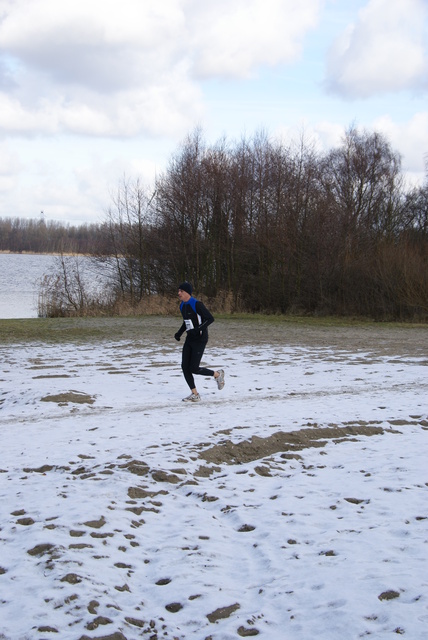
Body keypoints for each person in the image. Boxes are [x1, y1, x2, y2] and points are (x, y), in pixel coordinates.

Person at [174, 281, 225, 402]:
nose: (179, 293)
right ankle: (195, 394)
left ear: (187, 292)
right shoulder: (182, 305)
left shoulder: (196, 304)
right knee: (185, 366)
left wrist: (197, 330)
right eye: (178, 291)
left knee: (194, 368)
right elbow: (185, 321)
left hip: (200, 339)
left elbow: (210, 319)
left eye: (181, 291)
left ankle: (217, 374)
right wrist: (179, 333)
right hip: (190, 338)